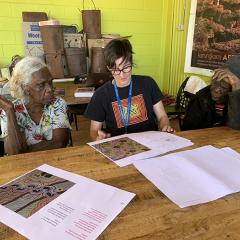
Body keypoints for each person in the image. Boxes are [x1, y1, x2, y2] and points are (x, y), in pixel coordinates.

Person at [84, 39, 173, 141]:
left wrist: (164, 127)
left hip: (150, 141)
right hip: (119, 146)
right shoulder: (101, 95)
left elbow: (162, 116)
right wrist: (98, 137)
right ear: (108, 67)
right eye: (116, 69)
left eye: (126, 67)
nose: (122, 75)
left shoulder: (148, 83)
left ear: (131, 62)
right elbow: (94, 130)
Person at [0, 56, 71, 155]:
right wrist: (9, 112)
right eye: (41, 84)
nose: (50, 89)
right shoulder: (10, 110)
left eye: (50, 82)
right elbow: (13, 152)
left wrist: (23, 152)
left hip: (56, 160)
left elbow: (59, 143)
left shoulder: (57, 103)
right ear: (26, 88)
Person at [182, 55, 240, 130]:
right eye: (215, 82)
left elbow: (235, 126)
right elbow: (188, 130)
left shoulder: (236, 95)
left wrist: (236, 90)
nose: (216, 90)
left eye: (224, 87)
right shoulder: (201, 98)